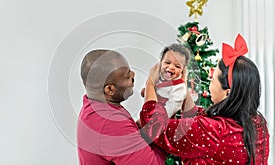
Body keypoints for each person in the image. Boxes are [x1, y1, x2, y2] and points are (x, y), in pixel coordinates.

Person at [139, 34, 270, 164]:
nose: (209, 81)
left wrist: (150, 83)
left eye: (213, 79)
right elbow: (198, 121)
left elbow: (156, 127)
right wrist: (182, 89)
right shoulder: (259, 124)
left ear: (227, 93)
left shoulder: (214, 131)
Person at [77, 49, 166, 165]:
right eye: (127, 76)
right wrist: (162, 128)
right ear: (109, 90)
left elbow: (120, 142)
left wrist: (142, 128)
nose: (133, 74)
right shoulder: (110, 123)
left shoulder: (93, 105)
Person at [141, 44, 190, 118]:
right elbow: (145, 89)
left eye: (177, 66)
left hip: (163, 119)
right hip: (148, 110)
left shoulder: (179, 87)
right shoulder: (157, 75)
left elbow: (171, 108)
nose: (171, 67)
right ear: (160, 63)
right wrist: (145, 90)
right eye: (167, 62)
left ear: (183, 70)